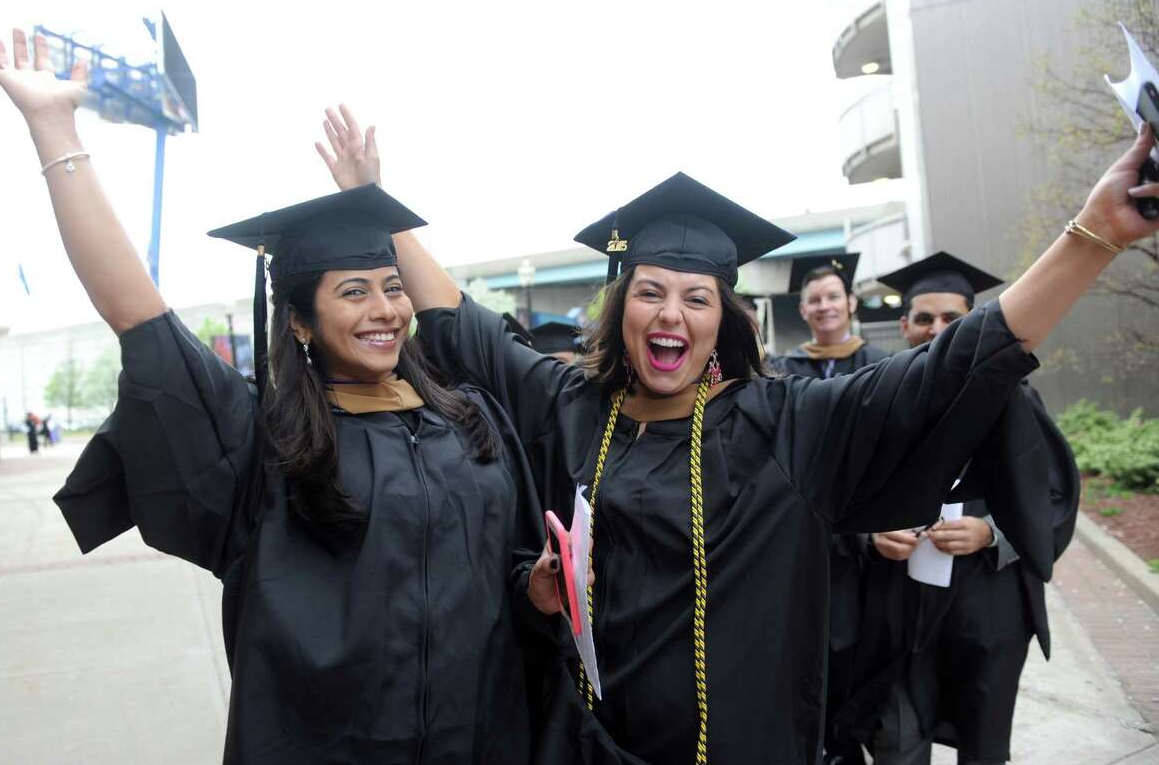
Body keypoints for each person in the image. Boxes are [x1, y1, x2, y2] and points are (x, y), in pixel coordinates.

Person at [317, 101, 1158, 765]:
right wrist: (375, 208)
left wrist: (1094, 236)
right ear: (622, 305)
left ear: (725, 319)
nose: (671, 312)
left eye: (697, 296)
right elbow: (462, 326)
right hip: (586, 745)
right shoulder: (572, 405)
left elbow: (948, 368)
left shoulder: (783, 424)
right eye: (649, 291)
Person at [0, 30, 565, 765]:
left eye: (391, 288)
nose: (384, 308)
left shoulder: (470, 420)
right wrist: (55, 129)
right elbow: (140, 317)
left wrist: (534, 588)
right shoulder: (270, 447)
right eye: (353, 292)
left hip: (479, 743)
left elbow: (502, 570)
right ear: (299, 322)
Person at [840, 252, 1080, 765]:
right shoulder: (876, 403)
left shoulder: (1014, 399)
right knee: (899, 740)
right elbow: (837, 494)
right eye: (924, 318)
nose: (937, 329)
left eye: (952, 317)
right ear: (903, 325)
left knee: (984, 743)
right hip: (899, 603)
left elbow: (1055, 496)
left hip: (986, 604)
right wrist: (869, 536)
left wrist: (991, 532)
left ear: (975, 321)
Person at [771, 252, 889, 765]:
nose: (824, 307)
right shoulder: (782, 371)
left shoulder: (882, 363)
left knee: (861, 649)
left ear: (851, 303)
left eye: (832, 297)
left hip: (869, 541)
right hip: (808, 534)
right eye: (814, 300)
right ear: (803, 309)